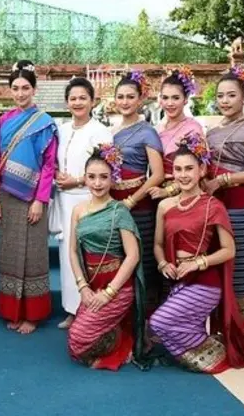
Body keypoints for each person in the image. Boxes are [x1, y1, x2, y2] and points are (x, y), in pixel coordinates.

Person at [149, 133, 244, 374]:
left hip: (205, 282)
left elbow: (229, 250)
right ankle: (201, 349)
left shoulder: (213, 205)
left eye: (189, 168)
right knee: (170, 327)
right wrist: (163, 263)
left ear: (201, 170)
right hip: (177, 279)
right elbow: (157, 244)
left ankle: (214, 353)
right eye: (178, 169)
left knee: (158, 322)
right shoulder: (165, 205)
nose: (183, 175)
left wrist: (198, 263)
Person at [0, 60, 59, 334]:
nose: (20, 93)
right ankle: (12, 310)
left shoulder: (44, 123)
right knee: (9, 253)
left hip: (33, 198)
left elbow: (49, 165)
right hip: (6, 196)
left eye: (25, 88)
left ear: (34, 89)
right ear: (10, 90)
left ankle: (33, 314)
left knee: (33, 255)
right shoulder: (2, 122)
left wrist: (40, 200)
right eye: (16, 88)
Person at [204, 66, 244, 344]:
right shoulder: (213, 131)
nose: (225, 100)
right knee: (218, 263)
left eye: (231, 95)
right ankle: (221, 326)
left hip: (242, 206)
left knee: (242, 263)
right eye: (220, 96)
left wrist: (224, 180)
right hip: (215, 205)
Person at [67, 144, 146, 371]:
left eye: (104, 177)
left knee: (79, 339)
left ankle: (123, 343)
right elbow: (73, 251)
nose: (97, 183)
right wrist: (83, 287)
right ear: (84, 178)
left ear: (113, 179)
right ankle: (117, 333)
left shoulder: (119, 211)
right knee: (75, 345)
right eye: (91, 177)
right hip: (92, 285)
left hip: (118, 288)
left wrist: (109, 293)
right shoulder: (78, 210)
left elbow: (133, 255)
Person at [53, 77, 111, 329]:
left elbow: (108, 169)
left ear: (92, 101)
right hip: (64, 200)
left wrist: (77, 181)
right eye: (73, 98)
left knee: (88, 253)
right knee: (68, 254)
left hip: (89, 198)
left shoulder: (100, 131)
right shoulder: (62, 129)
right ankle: (71, 309)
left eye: (82, 98)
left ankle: (91, 311)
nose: (77, 103)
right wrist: (57, 176)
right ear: (67, 102)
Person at [110, 70, 165, 313]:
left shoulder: (147, 131)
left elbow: (158, 174)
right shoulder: (111, 132)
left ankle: (148, 319)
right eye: (120, 97)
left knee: (144, 260)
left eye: (130, 97)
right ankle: (123, 317)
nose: (125, 102)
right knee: (120, 258)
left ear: (140, 99)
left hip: (139, 205)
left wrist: (132, 200)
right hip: (114, 203)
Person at [148, 67, 204, 201]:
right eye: (165, 98)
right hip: (155, 195)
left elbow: (202, 170)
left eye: (175, 98)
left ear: (185, 99)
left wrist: (168, 191)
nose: (169, 103)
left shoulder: (193, 129)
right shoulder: (156, 129)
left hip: (185, 195)